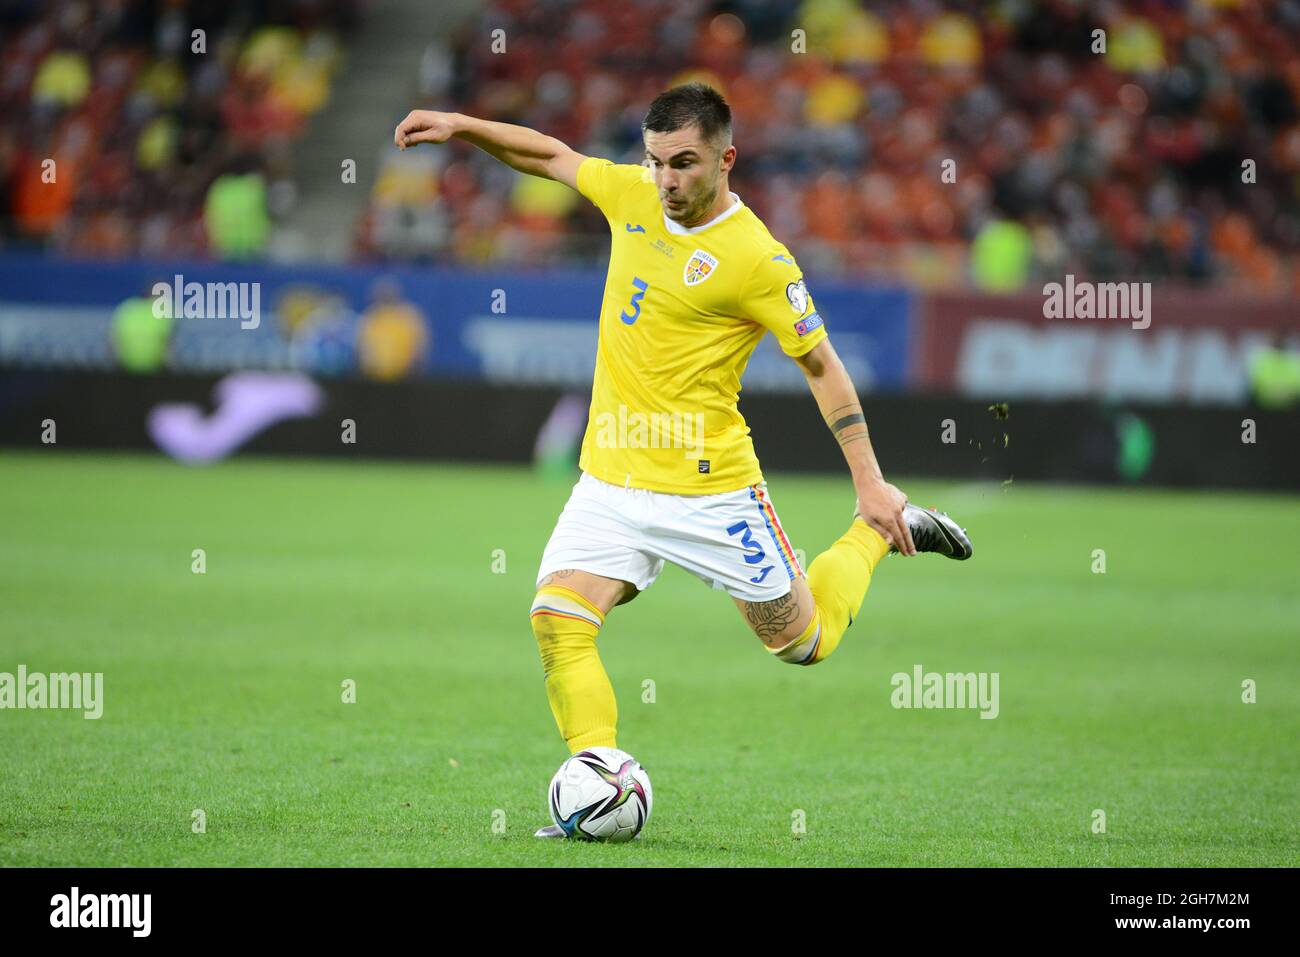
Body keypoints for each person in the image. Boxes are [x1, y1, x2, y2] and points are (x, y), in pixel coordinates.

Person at [394, 82, 973, 838]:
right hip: (609, 480)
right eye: (658, 161)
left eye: (685, 163)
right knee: (557, 620)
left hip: (711, 491)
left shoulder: (759, 259)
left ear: (726, 159)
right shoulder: (634, 194)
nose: (666, 180)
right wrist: (463, 126)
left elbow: (823, 364)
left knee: (802, 641)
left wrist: (869, 480)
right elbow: (552, 155)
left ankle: (885, 530)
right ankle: (596, 787)